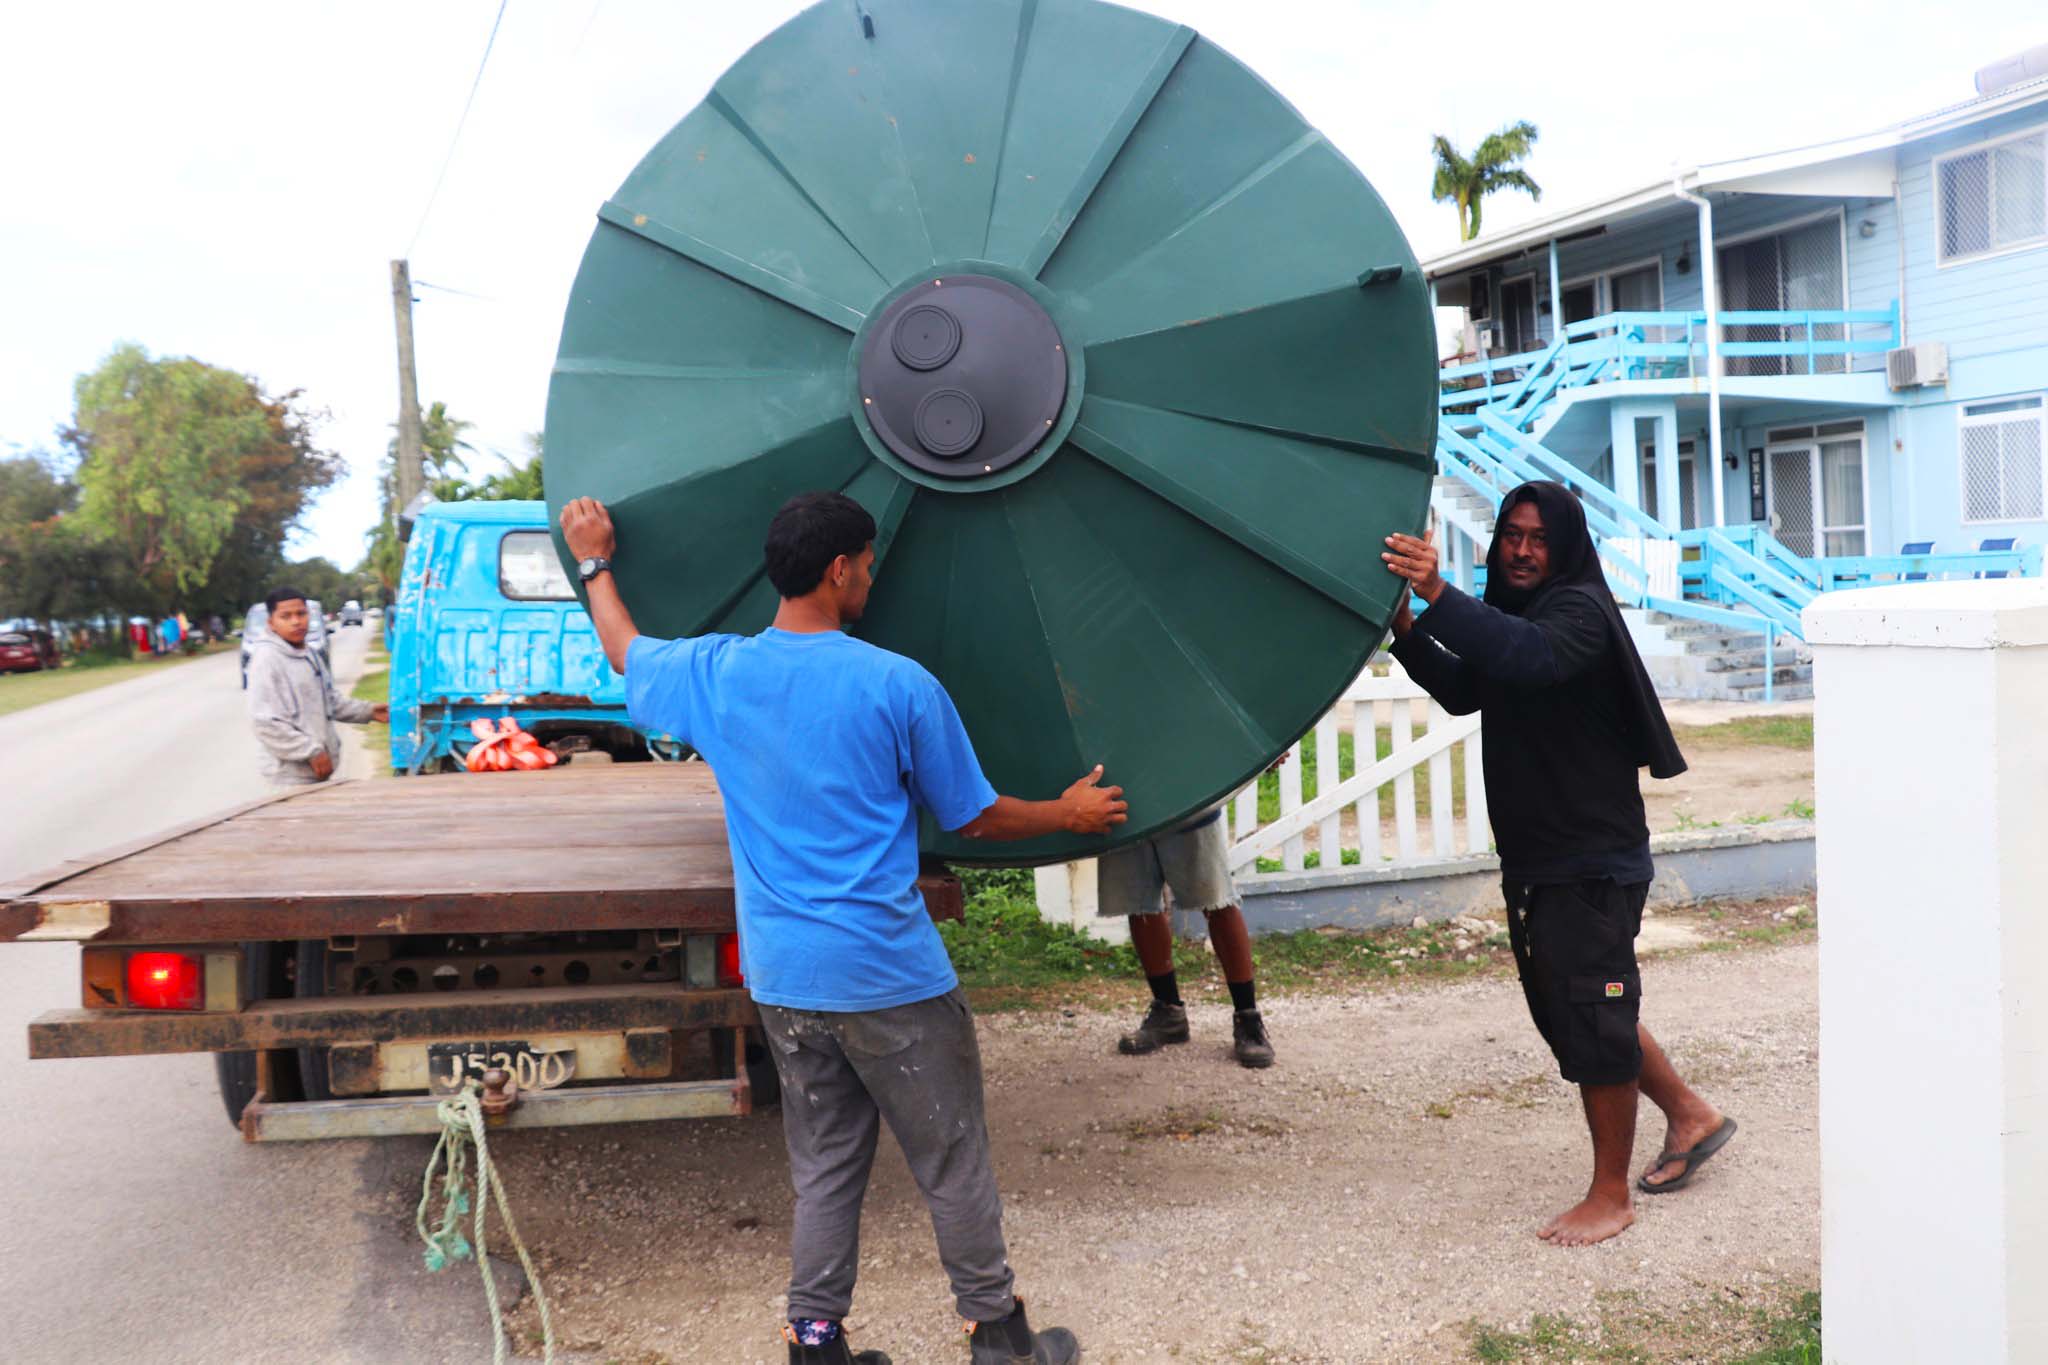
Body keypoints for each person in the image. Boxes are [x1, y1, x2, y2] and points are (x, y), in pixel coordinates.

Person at [561, 490, 1123, 1365]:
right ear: (838, 569)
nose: (870, 573)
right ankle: (1001, 1336)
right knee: (950, 1154)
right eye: (865, 561)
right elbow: (971, 817)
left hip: (785, 980)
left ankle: (816, 1343)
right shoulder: (897, 684)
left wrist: (595, 560)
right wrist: (1070, 810)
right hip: (889, 974)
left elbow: (625, 649)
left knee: (824, 1164)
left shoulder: (717, 674)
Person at [1380, 482, 1734, 1248]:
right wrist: (1408, 627)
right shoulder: (1515, 618)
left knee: (1593, 1011)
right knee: (1577, 1007)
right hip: (1543, 858)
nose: (1521, 549)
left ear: (1566, 546)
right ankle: (1692, 1115)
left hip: (1590, 861)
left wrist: (1436, 589)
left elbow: (1526, 657)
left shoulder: (1577, 616)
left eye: (1539, 537)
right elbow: (1466, 687)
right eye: (1511, 533)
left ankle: (1611, 1195)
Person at [1102, 808, 1274, 1068]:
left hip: (1189, 798)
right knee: (1139, 904)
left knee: (1217, 900)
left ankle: (1248, 1018)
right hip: (1125, 802)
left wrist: (1268, 764)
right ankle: (1168, 1014)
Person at [245, 585, 385, 786]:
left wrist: (369, 711)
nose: (296, 621)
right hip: (290, 777)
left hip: (319, 771)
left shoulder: (309, 653)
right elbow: (264, 722)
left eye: (301, 614)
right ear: (272, 623)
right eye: (286, 616)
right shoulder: (266, 659)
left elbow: (329, 701)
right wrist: (310, 751)